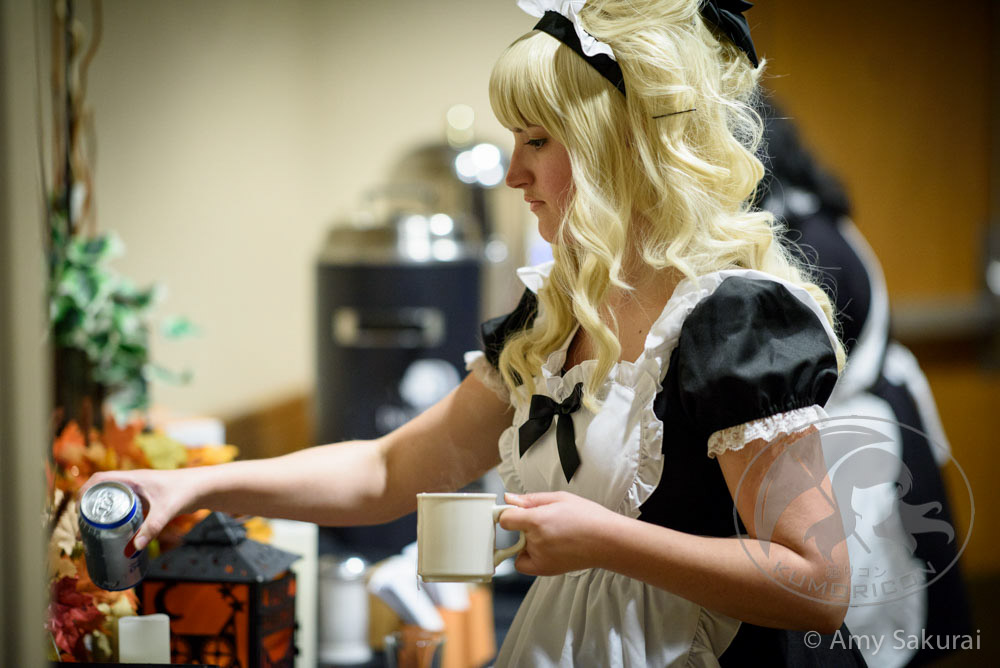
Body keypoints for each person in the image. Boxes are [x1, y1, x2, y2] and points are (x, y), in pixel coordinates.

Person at [85, 1, 869, 665]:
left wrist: (605, 541)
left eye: (537, 140)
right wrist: (197, 486)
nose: (512, 172)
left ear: (615, 147)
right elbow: (386, 470)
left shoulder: (734, 321)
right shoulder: (554, 316)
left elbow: (818, 585)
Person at [757, 102, 973, 668]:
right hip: (878, 423)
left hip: (860, 443)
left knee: (871, 632)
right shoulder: (819, 217)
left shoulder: (804, 242)